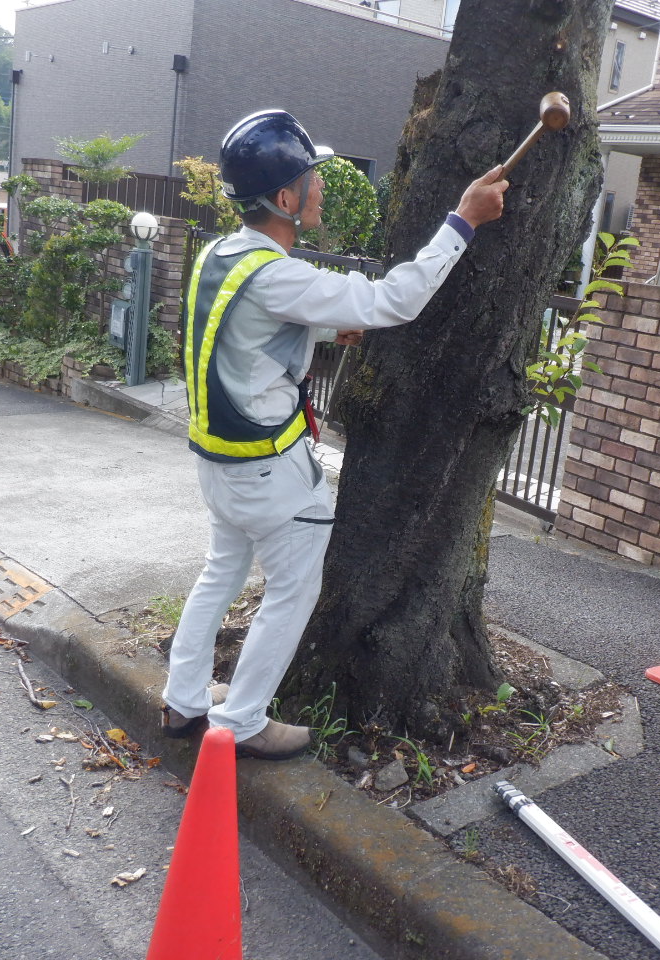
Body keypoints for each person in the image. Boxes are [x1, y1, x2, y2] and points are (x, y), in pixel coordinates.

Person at [160, 109, 508, 760]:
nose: (321, 185)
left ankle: (183, 702)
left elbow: (243, 329)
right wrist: (463, 219)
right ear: (285, 198)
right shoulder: (280, 273)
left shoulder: (222, 256)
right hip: (269, 472)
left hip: (218, 463)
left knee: (220, 575)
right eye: (312, 176)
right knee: (294, 591)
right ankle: (242, 720)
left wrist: (318, 329)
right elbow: (394, 301)